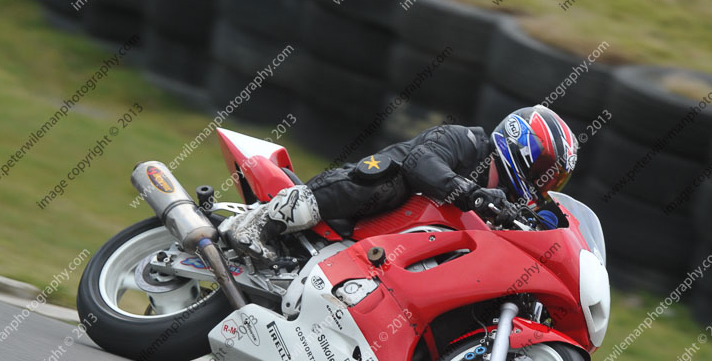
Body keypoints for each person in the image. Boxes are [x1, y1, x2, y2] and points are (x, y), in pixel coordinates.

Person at [220, 105, 577, 261]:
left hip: (394, 252)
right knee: (389, 178)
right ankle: (261, 222)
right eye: (547, 168)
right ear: (524, 147)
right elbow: (422, 162)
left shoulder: (511, 204)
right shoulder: (465, 141)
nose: (548, 180)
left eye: (556, 175)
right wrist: (472, 194)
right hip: (361, 209)